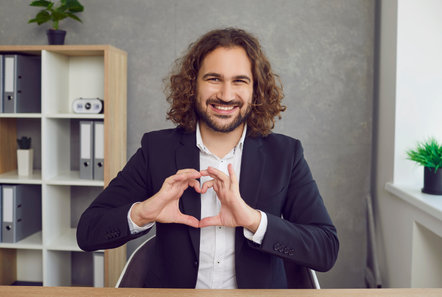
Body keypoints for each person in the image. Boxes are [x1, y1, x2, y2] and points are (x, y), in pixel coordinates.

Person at [77, 27, 339, 289]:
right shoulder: (157, 149)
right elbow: (88, 233)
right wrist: (145, 212)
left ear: (255, 90)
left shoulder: (285, 155)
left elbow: (325, 248)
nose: (226, 95)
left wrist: (252, 220)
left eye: (239, 81)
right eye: (214, 79)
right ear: (193, 85)